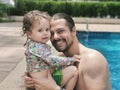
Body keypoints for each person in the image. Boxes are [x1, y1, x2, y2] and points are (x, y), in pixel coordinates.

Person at [24, 12, 112, 90]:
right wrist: (32, 83)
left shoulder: (92, 60)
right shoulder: (59, 59)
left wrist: (55, 88)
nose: (55, 37)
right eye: (51, 33)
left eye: (60, 31)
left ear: (73, 31)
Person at [22, 10, 80, 90]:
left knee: (70, 69)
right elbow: (52, 60)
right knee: (73, 71)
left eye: (47, 29)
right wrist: (70, 60)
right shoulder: (37, 47)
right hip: (43, 84)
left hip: (42, 81)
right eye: (40, 30)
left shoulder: (34, 45)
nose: (45, 33)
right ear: (29, 34)